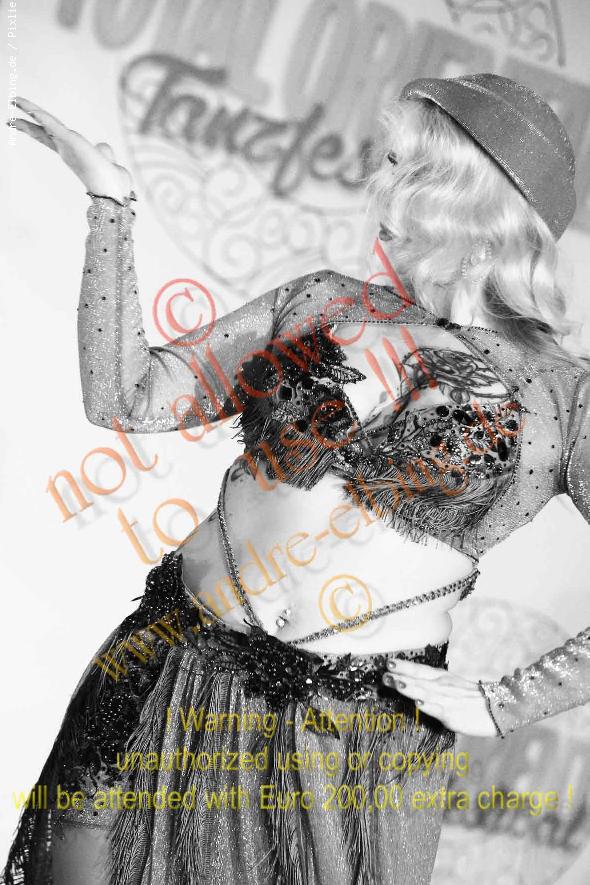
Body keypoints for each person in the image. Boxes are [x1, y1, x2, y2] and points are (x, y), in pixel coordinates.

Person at [4, 72, 590, 885]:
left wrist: (512, 698)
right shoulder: (323, 302)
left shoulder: (563, 396)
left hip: (344, 746)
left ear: (461, 193)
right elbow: (125, 397)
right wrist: (111, 204)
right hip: (165, 673)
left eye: (400, 162)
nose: (375, 180)